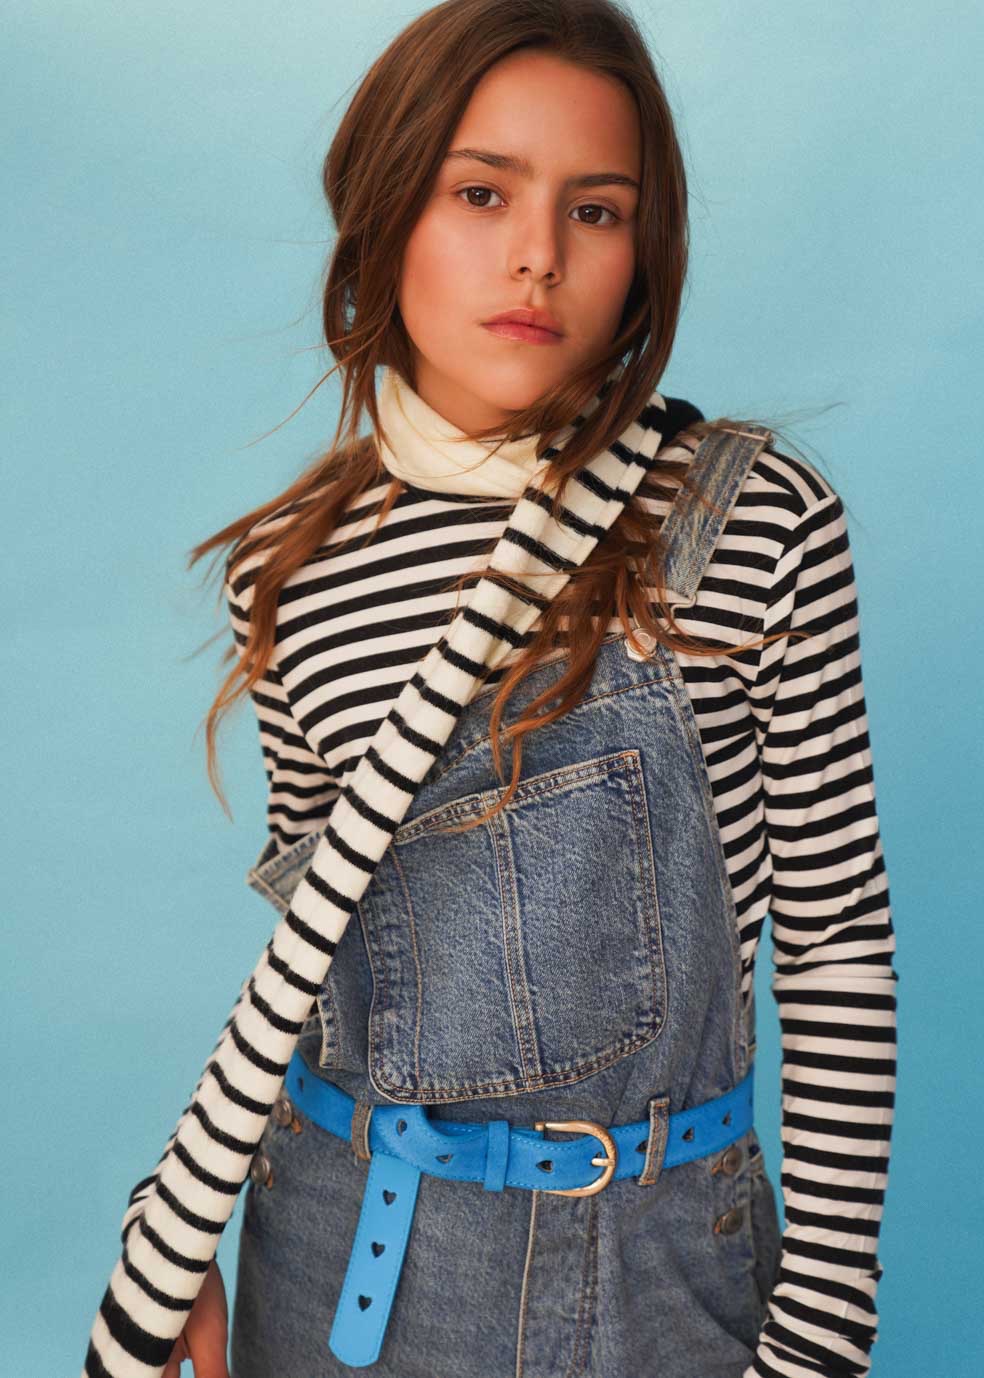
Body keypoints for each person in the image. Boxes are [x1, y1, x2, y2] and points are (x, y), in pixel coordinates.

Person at [110, 3, 898, 1376]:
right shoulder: (288, 574)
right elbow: (310, 966)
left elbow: (837, 947)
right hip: (340, 1256)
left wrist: (822, 1329)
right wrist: (170, 1217)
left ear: (644, 251)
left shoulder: (749, 523)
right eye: (481, 193)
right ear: (385, 212)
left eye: (596, 210)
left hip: (654, 1268)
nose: (539, 254)